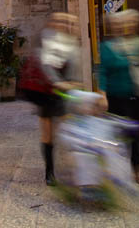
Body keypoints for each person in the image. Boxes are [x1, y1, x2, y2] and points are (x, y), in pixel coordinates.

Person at [99, 9, 139, 185]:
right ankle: (111, 168)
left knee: (136, 135)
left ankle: (137, 170)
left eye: (125, 24)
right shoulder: (106, 47)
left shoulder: (138, 43)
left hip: (135, 95)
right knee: (114, 135)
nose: (122, 27)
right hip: (114, 97)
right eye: (118, 25)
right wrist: (102, 94)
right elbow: (102, 71)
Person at [35, 12, 82, 186]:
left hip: (65, 94)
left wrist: (74, 84)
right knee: (48, 134)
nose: (63, 24)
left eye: (66, 21)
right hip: (47, 93)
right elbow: (45, 65)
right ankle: (49, 172)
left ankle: (72, 168)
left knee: (68, 131)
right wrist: (58, 82)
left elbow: (76, 66)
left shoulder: (72, 42)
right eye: (60, 21)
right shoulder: (47, 40)